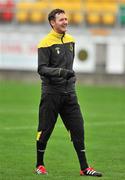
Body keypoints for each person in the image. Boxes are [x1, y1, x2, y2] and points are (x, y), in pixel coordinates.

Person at [35, 9, 102, 177]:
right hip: (51, 94)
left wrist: (70, 78)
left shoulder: (71, 40)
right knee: (45, 130)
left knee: (78, 128)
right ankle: (39, 165)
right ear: (52, 22)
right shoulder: (45, 43)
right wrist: (61, 73)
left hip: (70, 94)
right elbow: (41, 69)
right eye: (61, 20)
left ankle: (85, 168)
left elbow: (69, 68)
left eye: (66, 19)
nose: (65, 22)